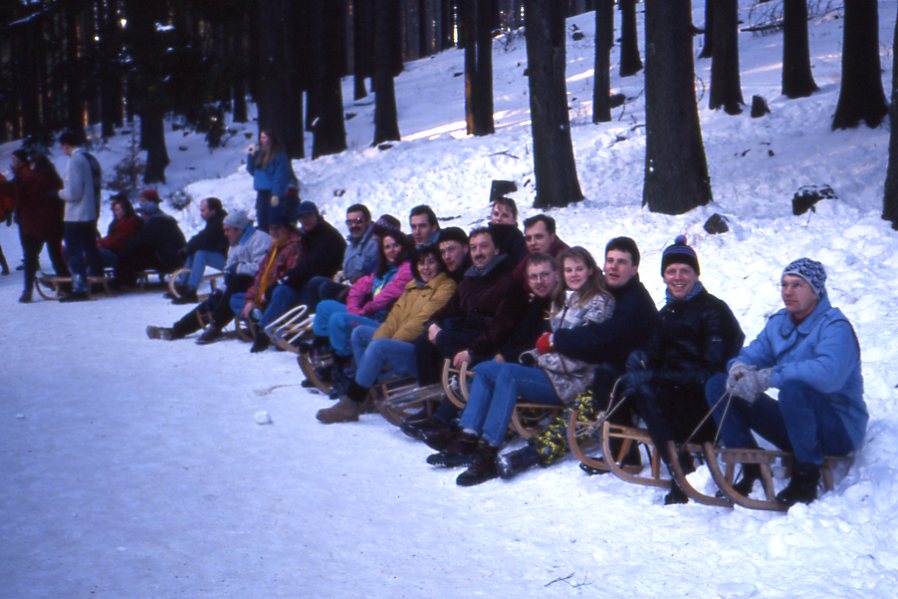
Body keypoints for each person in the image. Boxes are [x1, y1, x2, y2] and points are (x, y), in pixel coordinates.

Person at [427, 247, 615, 487]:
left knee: (508, 375)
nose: (574, 274)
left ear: (590, 269)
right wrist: (530, 356)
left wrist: (539, 359)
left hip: (572, 381)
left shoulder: (600, 303)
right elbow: (545, 343)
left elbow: (584, 354)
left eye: (579, 268)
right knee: (485, 370)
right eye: (569, 269)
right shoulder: (568, 298)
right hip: (551, 373)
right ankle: (467, 438)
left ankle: (488, 451)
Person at [705, 258, 868, 507]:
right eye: (784, 285)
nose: (788, 291)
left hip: (837, 429)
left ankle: (806, 477)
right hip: (798, 424)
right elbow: (754, 353)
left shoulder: (835, 327)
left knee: (794, 389)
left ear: (815, 291)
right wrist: (738, 369)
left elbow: (827, 375)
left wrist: (769, 377)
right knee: (719, 384)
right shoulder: (779, 322)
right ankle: (750, 466)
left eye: (796, 285)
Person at [618, 236, 744, 504]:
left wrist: (654, 376)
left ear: (696, 275)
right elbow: (653, 354)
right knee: (629, 382)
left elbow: (710, 373)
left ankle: (681, 471)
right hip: (674, 399)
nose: (677, 277)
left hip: (707, 408)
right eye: (671, 271)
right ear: (663, 275)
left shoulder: (713, 312)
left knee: (646, 389)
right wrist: (640, 359)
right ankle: (632, 454)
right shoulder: (667, 314)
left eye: (684, 271)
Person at [524, 237, 659, 473]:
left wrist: (558, 340)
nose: (613, 267)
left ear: (634, 268)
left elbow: (603, 337)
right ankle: (621, 455)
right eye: (610, 261)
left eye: (621, 262)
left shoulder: (633, 300)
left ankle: (623, 457)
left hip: (639, 373)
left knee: (596, 388)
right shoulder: (616, 291)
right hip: (615, 369)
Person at [404, 226, 530, 437]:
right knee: (425, 342)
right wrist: (433, 323)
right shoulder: (470, 279)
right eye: (474, 248)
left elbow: (502, 327)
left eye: (483, 246)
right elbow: (450, 308)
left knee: (447, 342)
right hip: (470, 337)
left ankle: (446, 415)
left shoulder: (508, 282)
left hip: (492, 342)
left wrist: (471, 350)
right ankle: (431, 405)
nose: (478, 252)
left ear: (496, 250)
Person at [315, 244, 457, 423]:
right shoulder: (413, 286)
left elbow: (421, 321)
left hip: (419, 350)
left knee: (380, 346)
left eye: (431, 263)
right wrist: (378, 344)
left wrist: (387, 347)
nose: (426, 268)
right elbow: (393, 319)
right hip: (399, 341)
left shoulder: (446, 287)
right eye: (421, 263)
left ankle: (352, 401)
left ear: (440, 264)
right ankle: (368, 393)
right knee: (360, 333)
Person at [146, 210, 272, 343]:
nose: (225, 234)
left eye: (228, 230)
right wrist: (221, 289)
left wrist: (238, 269)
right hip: (238, 285)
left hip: (259, 285)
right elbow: (229, 272)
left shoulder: (259, 239)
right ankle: (177, 330)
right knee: (215, 299)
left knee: (238, 280)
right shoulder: (234, 245)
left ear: (239, 229)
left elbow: (263, 267)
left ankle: (216, 325)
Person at [309, 228, 414, 387]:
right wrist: (353, 309)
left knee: (340, 319)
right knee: (325, 307)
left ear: (403, 247)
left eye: (395, 246)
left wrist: (364, 310)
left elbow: (389, 294)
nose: (391, 251)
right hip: (369, 315)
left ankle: (344, 366)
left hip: (384, 322)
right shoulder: (383, 270)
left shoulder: (407, 269)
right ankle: (328, 358)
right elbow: (358, 287)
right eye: (387, 247)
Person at [250, 201, 346, 352]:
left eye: (309, 216)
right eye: (302, 217)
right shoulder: (308, 235)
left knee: (287, 289)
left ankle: (280, 329)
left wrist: (285, 280)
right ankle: (266, 327)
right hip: (308, 280)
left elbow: (311, 266)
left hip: (323, 283)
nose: (305, 220)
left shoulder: (327, 236)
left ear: (317, 215)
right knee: (282, 291)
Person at [0, 149, 68, 302]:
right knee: (56, 255)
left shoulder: (31, 178)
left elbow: (13, 189)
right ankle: (66, 285)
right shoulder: (53, 179)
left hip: (32, 225)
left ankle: (27, 291)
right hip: (53, 224)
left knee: (30, 258)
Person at [232, 207, 302, 351]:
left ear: (287, 229)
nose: (274, 232)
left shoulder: (294, 247)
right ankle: (261, 315)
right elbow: (260, 275)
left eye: (278, 228)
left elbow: (291, 276)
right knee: (235, 298)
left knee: (282, 292)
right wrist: (251, 299)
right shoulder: (274, 246)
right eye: (271, 229)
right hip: (265, 296)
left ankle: (262, 329)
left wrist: (268, 292)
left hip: (284, 294)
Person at [301, 206, 383, 308]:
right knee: (315, 282)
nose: (354, 226)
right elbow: (347, 269)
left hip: (365, 290)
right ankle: (309, 318)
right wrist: (341, 275)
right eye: (349, 222)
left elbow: (371, 271)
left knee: (327, 288)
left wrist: (351, 279)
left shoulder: (374, 243)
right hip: (350, 285)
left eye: (358, 221)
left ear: (367, 221)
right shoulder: (351, 246)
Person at [57, 130, 102, 302]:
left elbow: (74, 193)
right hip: (90, 212)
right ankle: (96, 279)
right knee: (91, 248)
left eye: (62, 146)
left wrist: (59, 193)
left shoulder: (75, 161)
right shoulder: (90, 159)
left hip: (76, 215)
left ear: (66, 145)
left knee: (74, 250)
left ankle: (79, 286)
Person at [114, 190, 186, 288]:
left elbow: (139, 241)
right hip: (174, 257)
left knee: (130, 254)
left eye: (143, 202)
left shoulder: (156, 222)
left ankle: (124, 282)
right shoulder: (162, 218)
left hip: (169, 259)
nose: (140, 204)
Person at [172, 197, 229, 304]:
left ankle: (191, 290)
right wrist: (187, 249)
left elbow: (204, 239)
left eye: (203, 210)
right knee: (194, 252)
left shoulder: (220, 223)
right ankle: (184, 286)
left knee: (200, 254)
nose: (201, 214)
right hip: (221, 255)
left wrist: (187, 249)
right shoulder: (214, 220)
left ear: (213, 211)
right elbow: (201, 236)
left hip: (229, 260)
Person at [246, 129, 298, 233]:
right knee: (262, 219)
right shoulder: (259, 153)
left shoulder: (278, 154)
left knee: (273, 219)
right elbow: (252, 170)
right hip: (261, 192)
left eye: (264, 137)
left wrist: (276, 193)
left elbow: (281, 176)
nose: (262, 140)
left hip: (273, 192)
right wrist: (250, 156)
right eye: (261, 137)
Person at [512, 214, 569, 286]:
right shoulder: (530, 257)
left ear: (552, 237)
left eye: (538, 237)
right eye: (528, 238)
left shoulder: (567, 263)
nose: (532, 243)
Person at [97, 194, 142, 269]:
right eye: (115, 210)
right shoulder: (118, 222)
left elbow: (117, 240)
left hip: (124, 255)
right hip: (118, 252)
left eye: (118, 210)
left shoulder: (131, 222)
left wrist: (101, 244)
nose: (116, 213)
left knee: (95, 253)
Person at [487, 197, 526, 270]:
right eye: (496, 214)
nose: (499, 218)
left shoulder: (519, 242)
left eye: (505, 215)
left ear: (514, 219)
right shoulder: (483, 237)